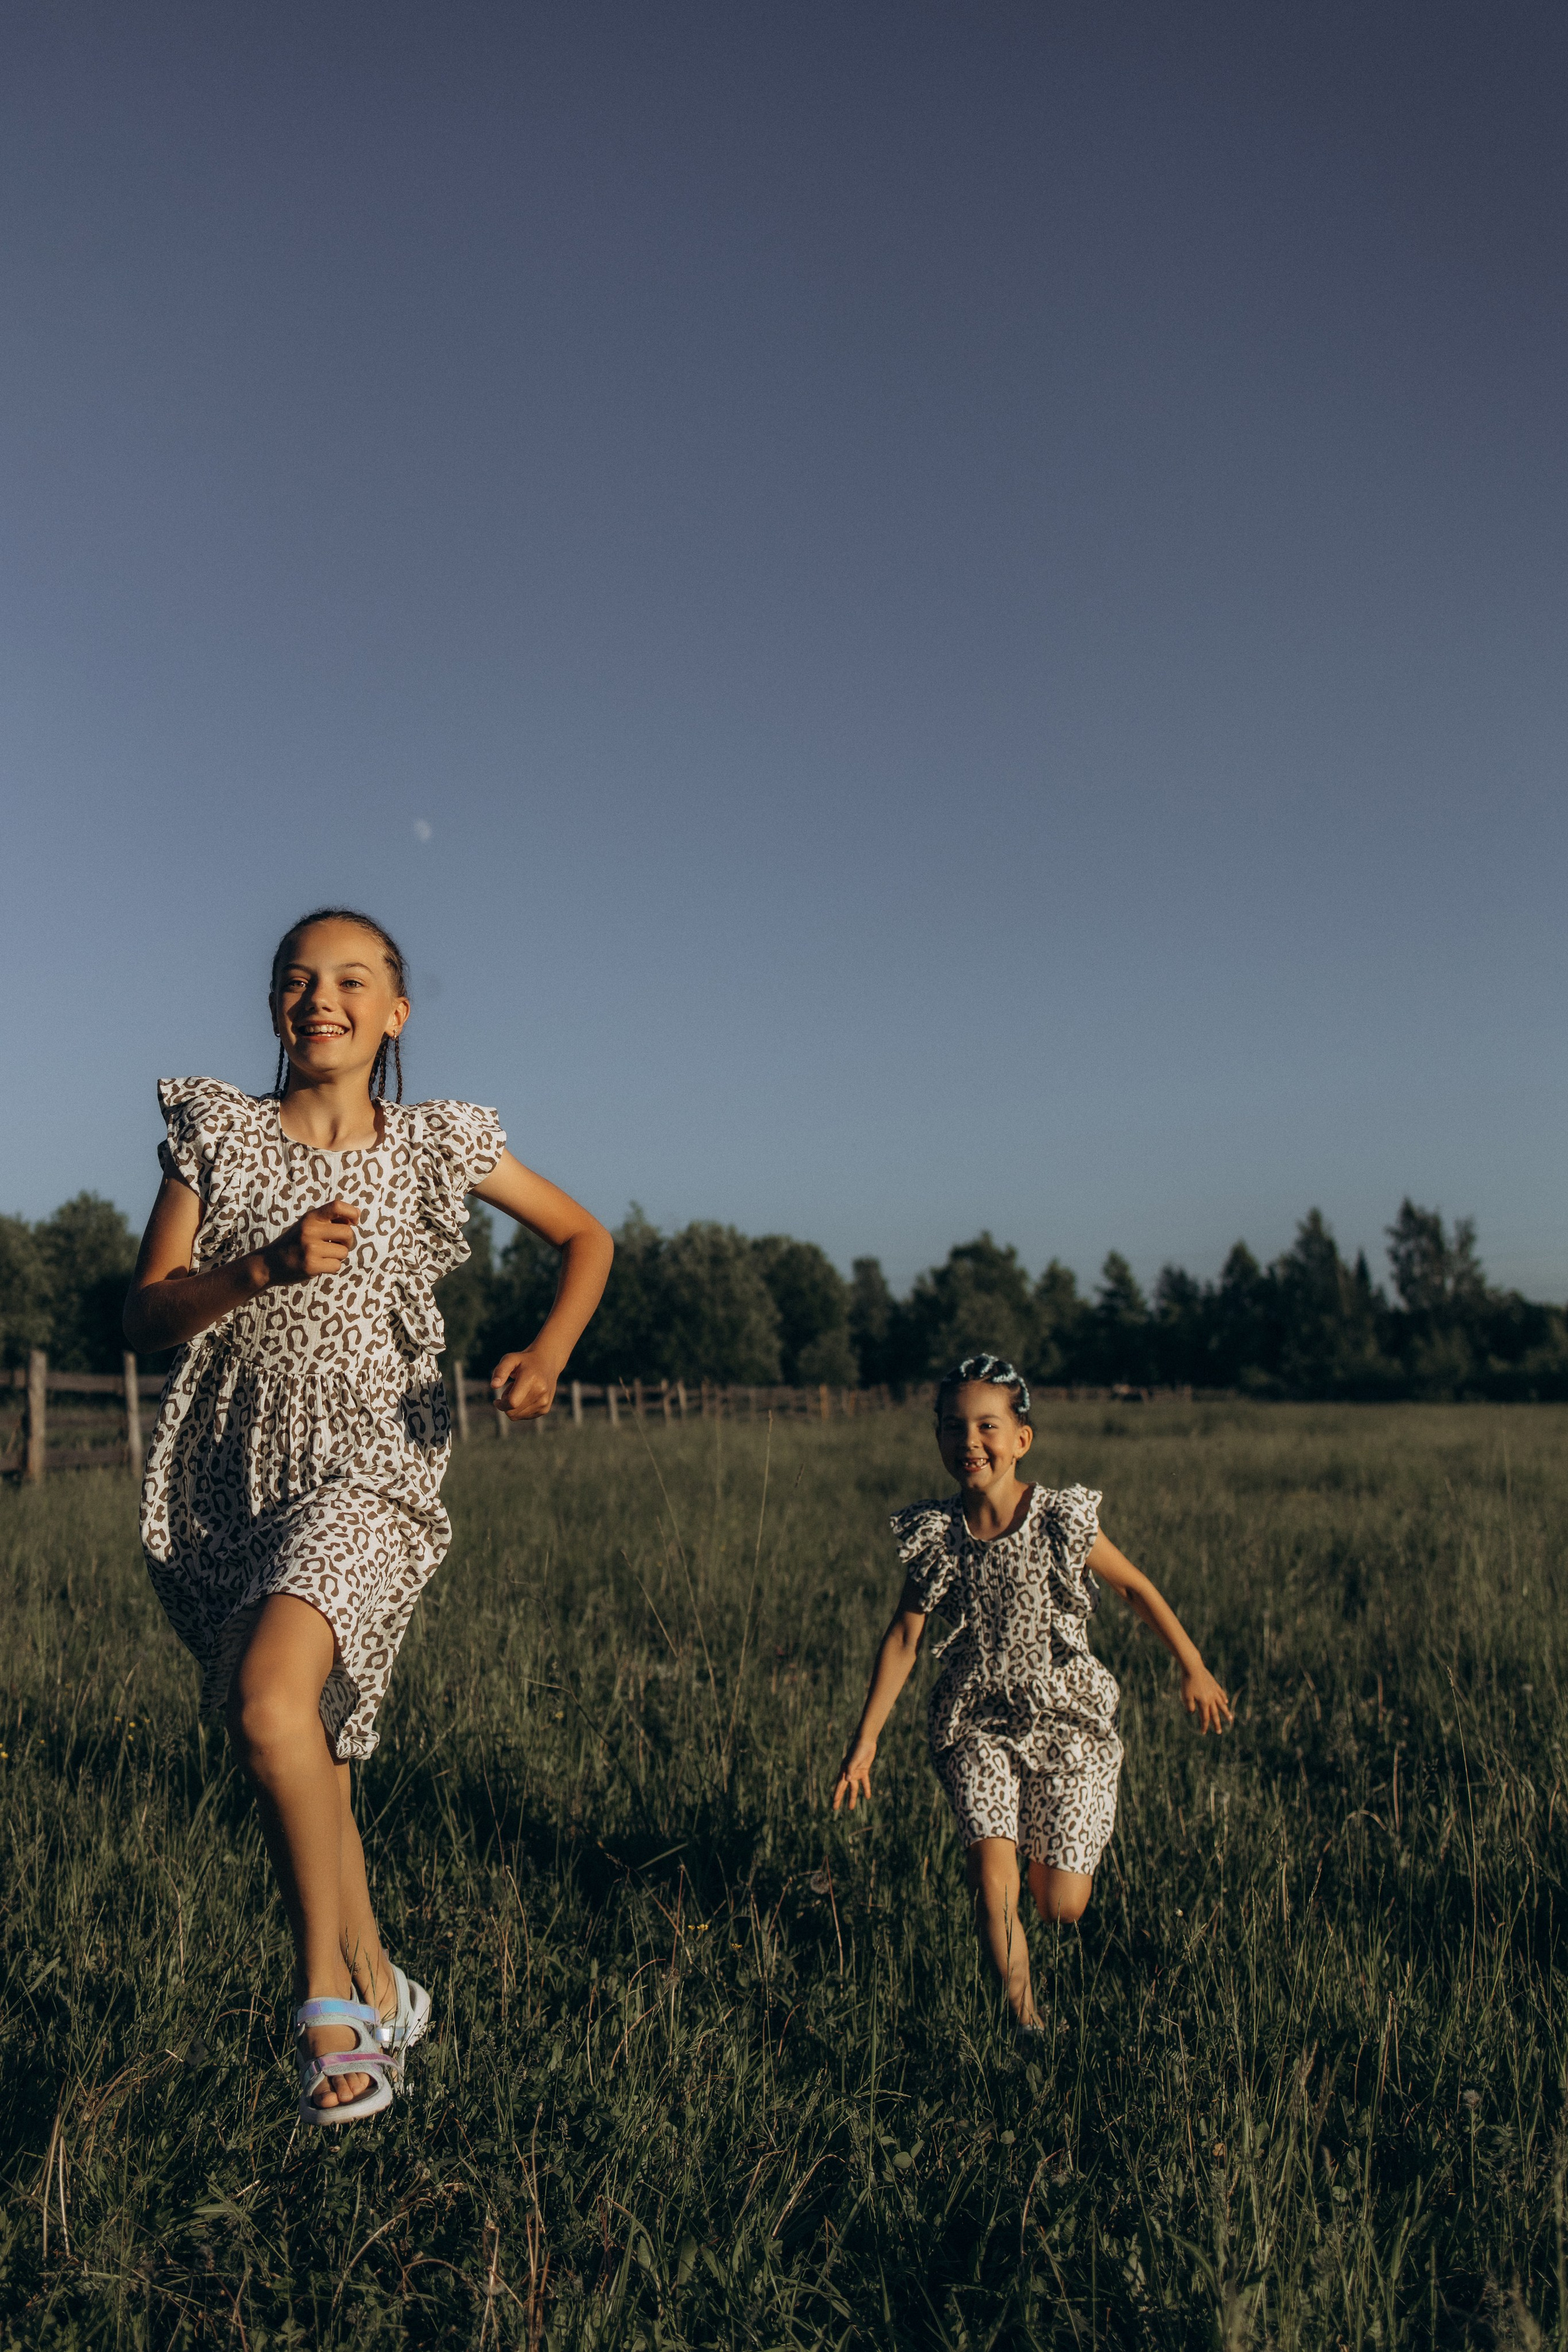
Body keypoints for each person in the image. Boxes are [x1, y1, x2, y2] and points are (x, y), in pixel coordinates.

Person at [124, 907, 612, 2125]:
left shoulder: (434, 1145)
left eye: (351, 979)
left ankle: (327, 2008)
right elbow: (140, 1319)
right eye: (296, 979)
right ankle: (386, 1982)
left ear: (395, 1012)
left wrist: (545, 1355)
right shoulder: (217, 1136)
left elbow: (582, 1235)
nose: (319, 997)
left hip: (376, 1465)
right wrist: (259, 1271)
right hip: (230, 1473)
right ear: (274, 1007)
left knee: (272, 1704)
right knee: (306, 1746)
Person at [831, 1354, 1231, 2034]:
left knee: (1061, 1907)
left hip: (1067, 1724)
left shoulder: (1058, 1518)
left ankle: (1050, 1901)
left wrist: (1192, 1665)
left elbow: (1135, 1587)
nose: (969, 1443)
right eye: (953, 1428)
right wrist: (865, 1741)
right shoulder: (938, 1534)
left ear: (1021, 1439)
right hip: (976, 1725)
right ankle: (1026, 2026)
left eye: (987, 1426)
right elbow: (904, 1636)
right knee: (995, 1884)